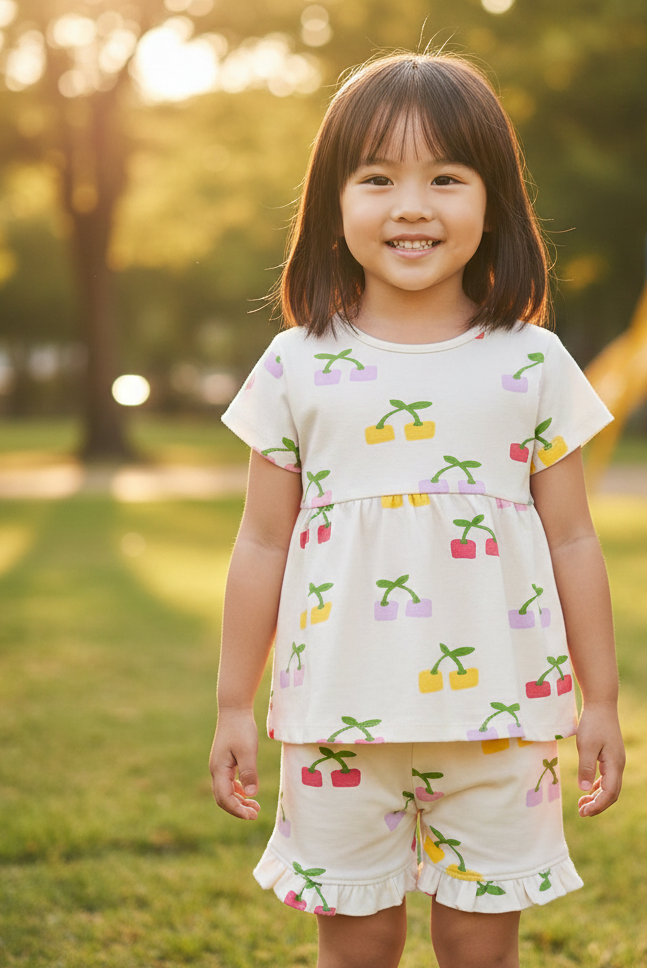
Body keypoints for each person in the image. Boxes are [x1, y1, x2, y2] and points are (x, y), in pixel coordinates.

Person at [209, 52, 625, 968]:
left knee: (481, 948)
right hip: (333, 719)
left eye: (445, 177)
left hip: (502, 721)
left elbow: (573, 538)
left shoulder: (533, 361)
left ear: (494, 202)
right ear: (332, 204)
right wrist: (234, 703)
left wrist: (601, 700)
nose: (411, 206)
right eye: (377, 178)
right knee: (356, 948)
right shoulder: (295, 364)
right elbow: (262, 544)